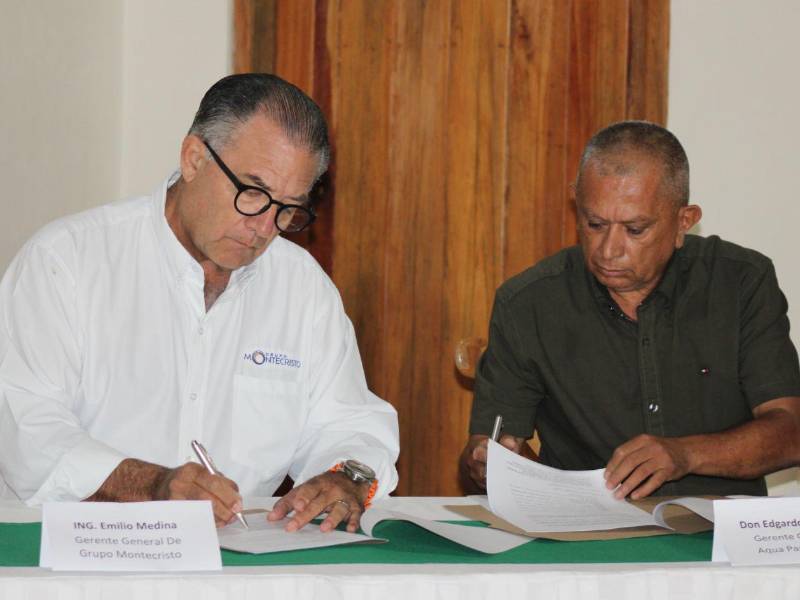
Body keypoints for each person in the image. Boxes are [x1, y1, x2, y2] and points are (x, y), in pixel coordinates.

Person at [0, 73, 399, 533]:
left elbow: (349, 421)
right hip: (72, 554)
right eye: (252, 192)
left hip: (236, 563)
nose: (265, 227)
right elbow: (25, 431)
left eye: (288, 208)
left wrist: (344, 478)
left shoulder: (301, 286)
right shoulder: (68, 261)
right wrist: (152, 486)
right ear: (193, 158)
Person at [460, 121, 800, 499]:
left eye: (635, 229)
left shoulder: (740, 283)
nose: (608, 250)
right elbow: (488, 444)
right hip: (588, 537)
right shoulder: (529, 304)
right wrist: (491, 462)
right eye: (594, 224)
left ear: (683, 222)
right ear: (576, 202)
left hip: (720, 535)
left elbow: (790, 432)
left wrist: (684, 455)